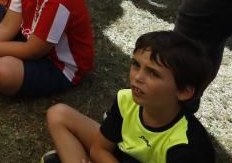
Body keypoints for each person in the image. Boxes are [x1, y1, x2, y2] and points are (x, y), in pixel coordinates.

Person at [43, 31, 215, 163]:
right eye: (136, 64)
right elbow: (99, 148)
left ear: (183, 91)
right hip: (121, 152)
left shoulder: (187, 147)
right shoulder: (126, 100)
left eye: (153, 73)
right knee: (58, 114)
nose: (138, 77)